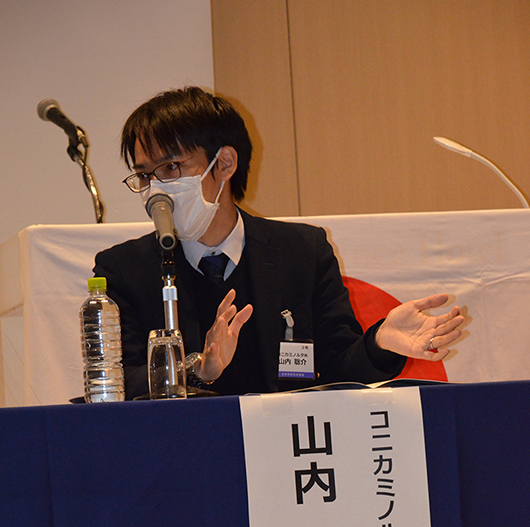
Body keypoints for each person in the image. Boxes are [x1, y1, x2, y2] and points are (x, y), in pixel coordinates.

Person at [94, 86, 464, 399]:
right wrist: (198, 369)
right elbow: (115, 383)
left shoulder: (301, 251)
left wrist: (380, 342)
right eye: (145, 176)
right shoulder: (124, 270)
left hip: (285, 448)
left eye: (171, 168)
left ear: (224, 163)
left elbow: (339, 367)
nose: (156, 189)